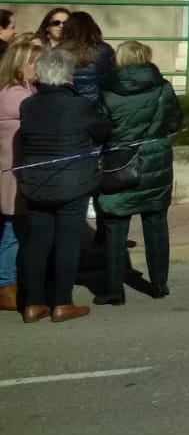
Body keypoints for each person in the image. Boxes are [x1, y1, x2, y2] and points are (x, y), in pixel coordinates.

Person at [14, 45, 109, 322]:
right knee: (68, 241)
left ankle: (33, 303)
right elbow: (102, 131)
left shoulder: (28, 105)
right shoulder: (80, 104)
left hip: (35, 182)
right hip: (72, 182)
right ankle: (62, 303)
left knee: (37, 241)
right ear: (69, 75)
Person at [95, 41, 183, 305]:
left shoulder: (107, 91)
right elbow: (176, 121)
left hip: (119, 163)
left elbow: (101, 129)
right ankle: (159, 284)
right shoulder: (163, 87)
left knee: (115, 225)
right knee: (156, 224)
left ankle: (113, 289)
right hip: (155, 161)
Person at [0, 35, 43, 313]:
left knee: (15, 230)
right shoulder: (17, 96)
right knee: (13, 232)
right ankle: (7, 285)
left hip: (12, 172)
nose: (39, 69)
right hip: (14, 174)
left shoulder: (17, 91)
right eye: (35, 64)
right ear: (21, 66)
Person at [57, 11, 115, 106]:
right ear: (93, 29)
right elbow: (111, 77)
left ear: (67, 29)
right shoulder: (104, 50)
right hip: (97, 104)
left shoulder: (57, 52)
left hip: (66, 105)